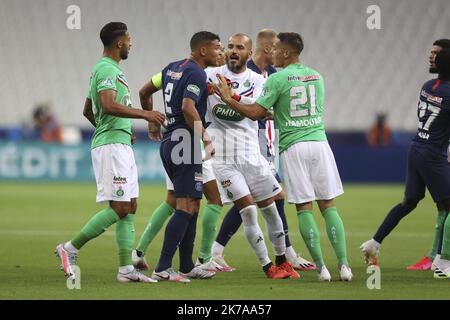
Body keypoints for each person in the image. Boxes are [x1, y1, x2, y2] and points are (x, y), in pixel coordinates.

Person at [214, 32, 352, 281]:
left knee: (304, 209)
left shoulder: (277, 80)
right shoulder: (317, 76)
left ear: (287, 53)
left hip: (294, 146)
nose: (272, 53)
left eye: (276, 49)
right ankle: (344, 266)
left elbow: (256, 112)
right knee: (328, 205)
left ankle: (322, 269)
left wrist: (227, 98)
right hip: (320, 143)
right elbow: (285, 109)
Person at [55, 22, 166, 283]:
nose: (131, 44)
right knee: (120, 206)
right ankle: (69, 248)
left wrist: (119, 129)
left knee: (130, 205)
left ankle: (126, 270)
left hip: (119, 143)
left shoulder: (110, 69)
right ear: (119, 43)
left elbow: (87, 110)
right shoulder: (105, 68)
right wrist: (144, 114)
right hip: (111, 147)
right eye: (129, 39)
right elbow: (106, 104)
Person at [211, 28, 315, 272]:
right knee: (264, 199)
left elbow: (265, 111)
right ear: (269, 49)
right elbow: (258, 111)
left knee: (254, 201)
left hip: (263, 145)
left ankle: (218, 251)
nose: (279, 52)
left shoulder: (269, 75)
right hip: (248, 148)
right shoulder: (254, 74)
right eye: (277, 47)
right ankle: (284, 253)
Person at [131, 42, 232, 273]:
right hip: (186, 140)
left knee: (187, 203)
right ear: (202, 50)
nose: (221, 52)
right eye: (217, 47)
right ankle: (166, 266)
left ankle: (185, 266)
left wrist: (153, 122)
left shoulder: (171, 68)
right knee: (188, 204)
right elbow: (187, 107)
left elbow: (144, 91)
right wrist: (206, 136)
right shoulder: (196, 72)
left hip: (173, 138)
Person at [361, 48, 450, 279]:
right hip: (434, 153)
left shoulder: (427, 86)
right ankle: (443, 262)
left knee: (409, 202)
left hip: (417, 147)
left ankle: (374, 242)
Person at [406, 39, 450, 270]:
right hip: (438, 149)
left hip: (435, 148)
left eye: (436, 53)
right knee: (444, 206)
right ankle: (439, 258)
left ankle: (437, 258)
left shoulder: (432, 87)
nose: (431, 56)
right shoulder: (438, 88)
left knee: (445, 205)